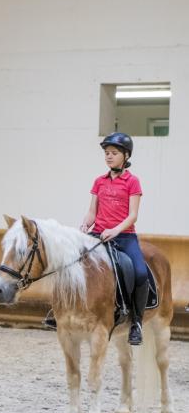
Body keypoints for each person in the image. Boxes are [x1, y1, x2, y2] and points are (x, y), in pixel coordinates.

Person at [45, 132, 148, 345]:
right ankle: (59, 310)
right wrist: (85, 224)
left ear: (126, 155)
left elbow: (133, 215)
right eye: (107, 153)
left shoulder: (133, 181)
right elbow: (92, 211)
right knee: (72, 263)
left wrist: (115, 230)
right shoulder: (99, 181)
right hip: (98, 235)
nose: (109, 157)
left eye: (114, 153)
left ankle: (136, 322)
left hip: (124, 237)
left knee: (138, 272)